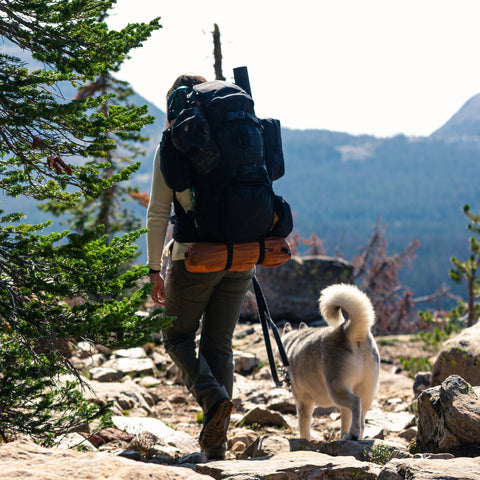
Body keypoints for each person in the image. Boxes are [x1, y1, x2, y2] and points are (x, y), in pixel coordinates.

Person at [146, 74, 255, 460]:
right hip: (243, 254)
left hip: (196, 257)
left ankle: (213, 400)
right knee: (218, 344)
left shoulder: (174, 142)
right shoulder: (238, 136)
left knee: (176, 338)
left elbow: (158, 212)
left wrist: (153, 270)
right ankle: (217, 449)